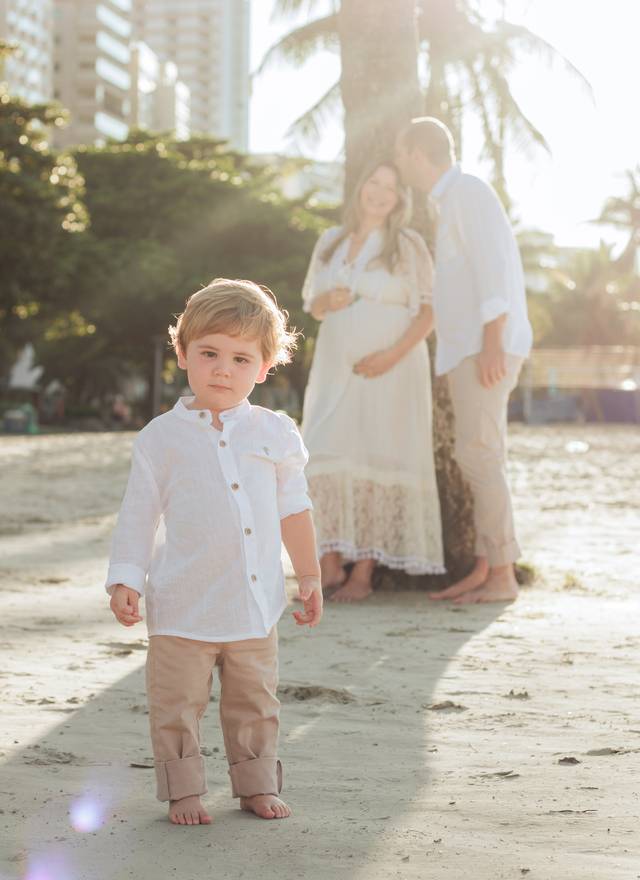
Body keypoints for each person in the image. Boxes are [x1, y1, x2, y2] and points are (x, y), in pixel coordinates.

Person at [106, 279, 323, 825]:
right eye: (209, 354)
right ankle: (183, 790)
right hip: (182, 607)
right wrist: (125, 579)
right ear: (182, 354)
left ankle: (253, 787)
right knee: (176, 706)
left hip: (253, 605)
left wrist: (310, 576)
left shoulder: (276, 432)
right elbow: (138, 514)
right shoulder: (160, 438)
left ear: (266, 365)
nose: (223, 369)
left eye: (241, 358)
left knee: (254, 704)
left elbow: (294, 509)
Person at [395, 117, 533, 604]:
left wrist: (492, 340)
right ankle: (485, 565)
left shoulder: (468, 192)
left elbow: (493, 267)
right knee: (477, 453)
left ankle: (501, 574)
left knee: (480, 456)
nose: (399, 164)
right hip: (469, 347)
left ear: (417, 153)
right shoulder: (449, 200)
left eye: (400, 153)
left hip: (483, 347)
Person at [301, 161, 445, 602]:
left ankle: (363, 573)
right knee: (322, 451)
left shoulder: (407, 244)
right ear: (360, 186)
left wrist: (390, 356)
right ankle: (327, 565)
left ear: (401, 198)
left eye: (390, 187)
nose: (380, 193)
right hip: (333, 368)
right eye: (374, 182)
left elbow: (429, 310)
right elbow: (312, 304)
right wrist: (328, 298)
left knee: (376, 457)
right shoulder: (330, 241)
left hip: (393, 370)